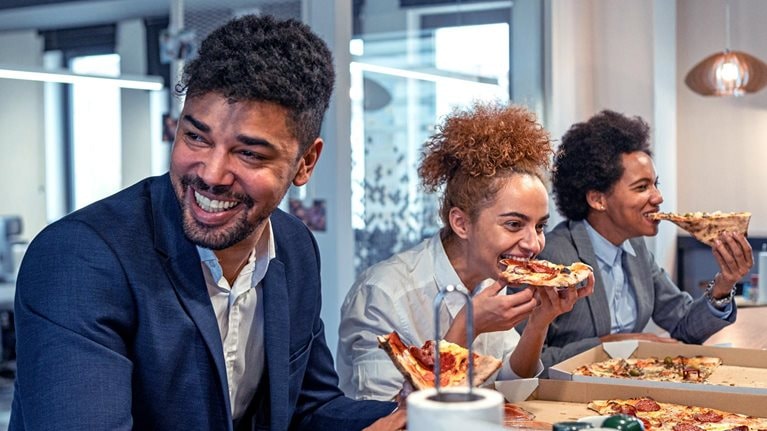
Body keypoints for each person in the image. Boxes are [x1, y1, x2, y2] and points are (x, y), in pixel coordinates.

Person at [10, 15, 403, 431]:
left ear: (305, 163)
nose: (212, 174)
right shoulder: (79, 258)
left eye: (249, 153)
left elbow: (308, 408)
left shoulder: (295, 247)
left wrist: (416, 413)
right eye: (196, 137)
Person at [337, 101, 595, 400]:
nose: (534, 244)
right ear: (461, 223)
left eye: (540, 227)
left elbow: (509, 389)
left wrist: (539, 324)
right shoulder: (382, 295)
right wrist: (467, 327)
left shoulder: (488, 279)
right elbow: (389, 417)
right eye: (514, 224)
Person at [531, 109, 753, 369]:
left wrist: (724, 283)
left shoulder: (636, 249)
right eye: (642, 187)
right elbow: (528, 362)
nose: (658, 197)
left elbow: (683, 325)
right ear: (598, 199)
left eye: (656, 184)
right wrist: (613, 345)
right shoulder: (551, 258)